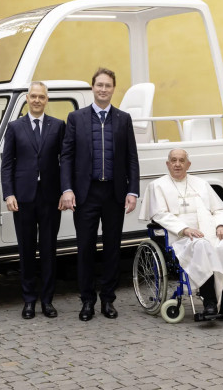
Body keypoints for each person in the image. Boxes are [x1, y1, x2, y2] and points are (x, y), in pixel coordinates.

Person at [60, 67, 140, 321]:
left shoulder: (123, 119)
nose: (103, 89)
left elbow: (131, 157)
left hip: (114, 193)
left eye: (108, 85)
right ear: (92, 87)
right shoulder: (76, 118)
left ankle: (108, 299)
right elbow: (67, 156)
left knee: (112, 248)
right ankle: (87, 301)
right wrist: (67, 188)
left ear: (113, 89)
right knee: (85, 248)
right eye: (99, 85)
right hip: (86, 194)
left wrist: (132, 191)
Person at [139, 149, 223, 317]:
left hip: (208, 232)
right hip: (180, 238)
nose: (177, 164)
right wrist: (184, 229)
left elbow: (218, 209)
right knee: (201, 245)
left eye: (181, 161)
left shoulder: (201, 183)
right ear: (168, 164)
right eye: (173, 160)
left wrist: (221, 225)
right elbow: (160, 214)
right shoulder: (157, 185)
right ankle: (209, 301)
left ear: (188, 164)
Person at [1, 82, 66, 319]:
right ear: (27, 99)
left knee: (48, 250)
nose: (37, 100)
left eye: (41, 96)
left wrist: (65, 191)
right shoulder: (14, 127)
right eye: (33, 96)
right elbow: (7, 164)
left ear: (47, 100)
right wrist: (9, 194)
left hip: (50, 198)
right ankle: (29, 301)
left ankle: (47, 301)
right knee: (26, 250)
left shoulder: (57, 126)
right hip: (23, 198)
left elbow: (65, 160)